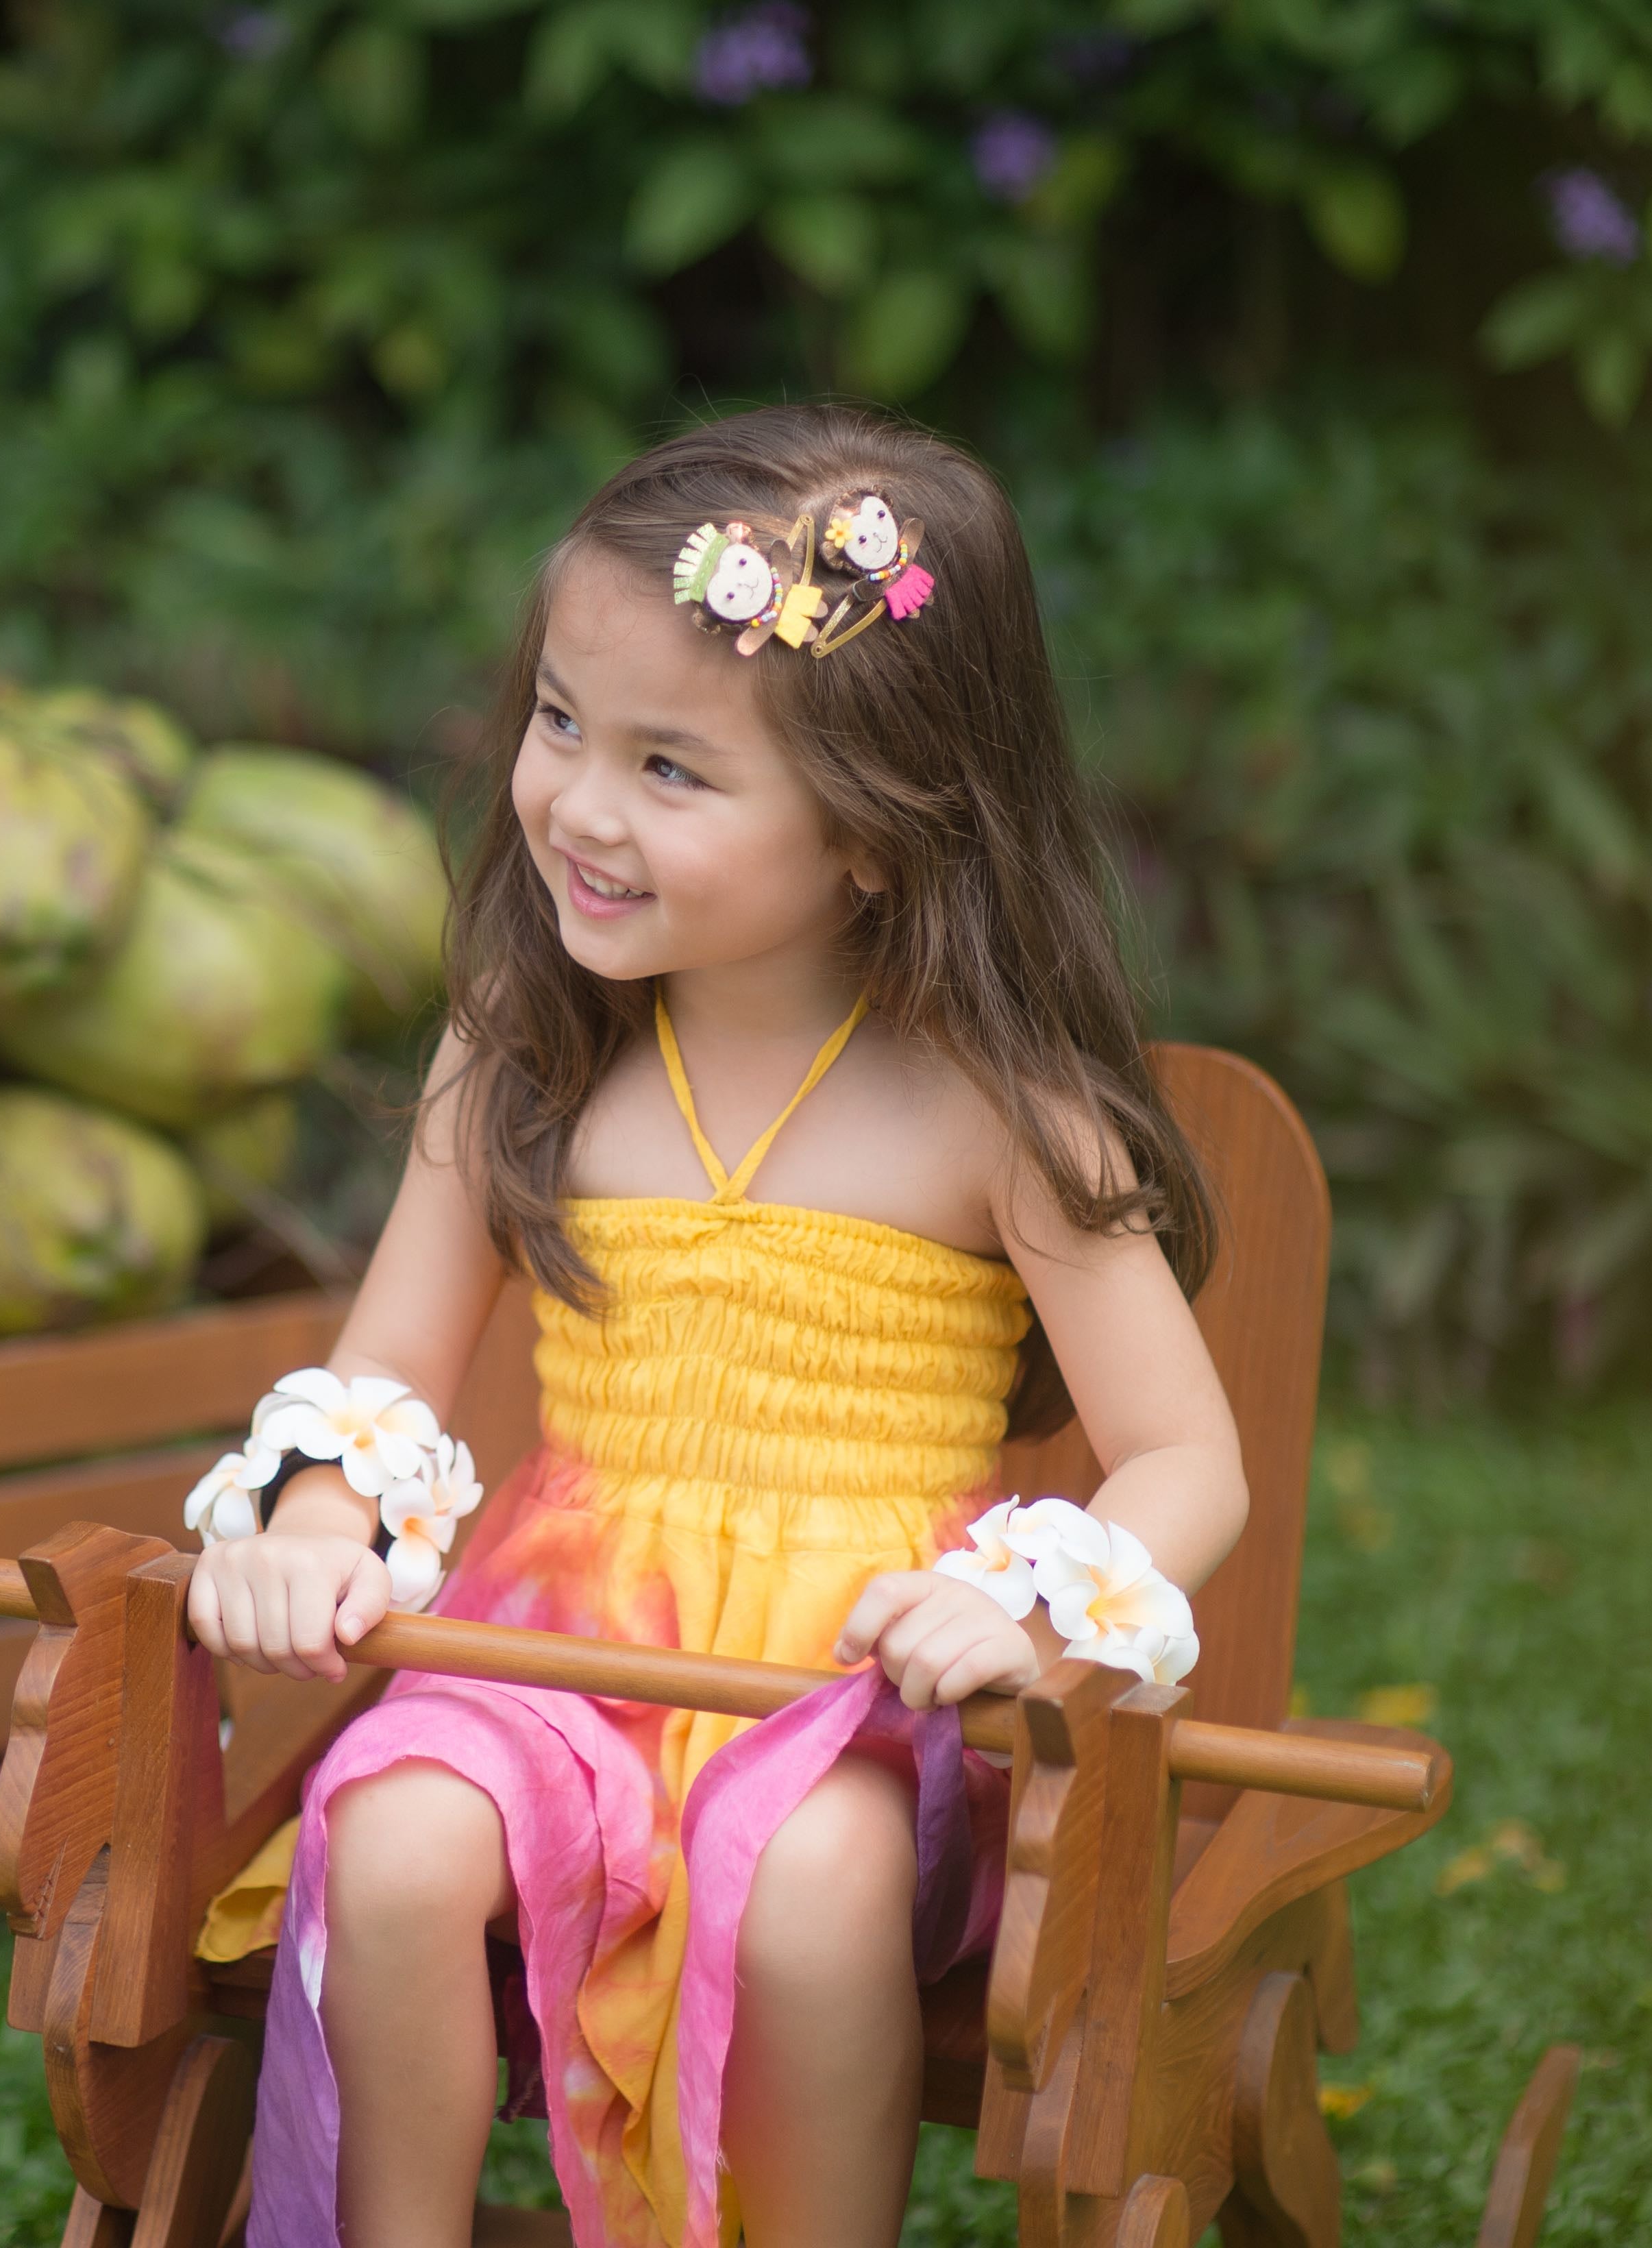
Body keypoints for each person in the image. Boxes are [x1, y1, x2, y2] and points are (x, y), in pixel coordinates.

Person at [181, 402, 1249, 2248]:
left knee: (811, 1883)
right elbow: (391, 1361)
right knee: (402, 1831)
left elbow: (1188, 1459)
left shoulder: (996, 1111)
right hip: (553, 1645)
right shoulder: (530, 1048)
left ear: (879, 835)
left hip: (839, 1692)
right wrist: (318, 1518)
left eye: (673, 769)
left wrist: (1014, 1601)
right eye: (561, 722)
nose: (579, 805)